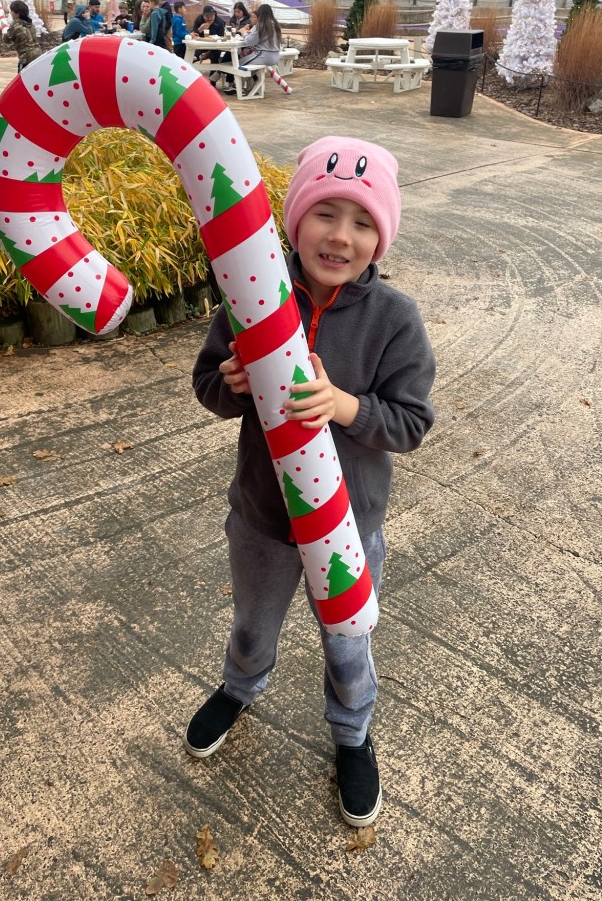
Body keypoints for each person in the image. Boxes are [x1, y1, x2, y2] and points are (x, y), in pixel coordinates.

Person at [186, 137, 436, 829]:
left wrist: (346, 406)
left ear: (380, 236)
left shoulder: (395, 320)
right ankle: (239, 689)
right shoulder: (250, 301)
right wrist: (232, 384)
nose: (341, 236)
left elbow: (412, 423)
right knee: (251, 624)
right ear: (295, 221)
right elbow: (207, 384)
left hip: (350, 525)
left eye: (362, 222)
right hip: (263, 518)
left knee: (348, 642)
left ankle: (352, 734)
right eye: (326, 213)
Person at [224, 3, 280, 96]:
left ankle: (238, 86)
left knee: (239, 63)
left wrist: (244, 33)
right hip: (275, 56)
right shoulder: (275, 24)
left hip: (264, 55)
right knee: (244, 59)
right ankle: (249, 85)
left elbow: (249, 41)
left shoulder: (262, 25)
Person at [3, 0, 41, 71]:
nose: (10, 13)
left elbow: (6, 39)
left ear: (18, 13)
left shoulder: (15, 25)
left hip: (26, 59)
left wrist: (4, 31)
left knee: (23, 80)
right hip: (38, 55)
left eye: (12, 11)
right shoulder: (30, 24)